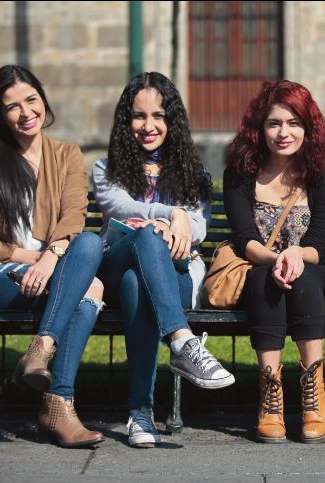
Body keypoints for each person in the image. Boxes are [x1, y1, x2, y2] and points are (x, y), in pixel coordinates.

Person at [0, 65, 105, 448]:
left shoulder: (67, 155)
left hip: (49, 271)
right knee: (91, 287)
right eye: (12, 106)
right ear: (0, 115)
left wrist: (50, 258)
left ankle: (42, 357)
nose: (26, 113)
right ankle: (59, 407)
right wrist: (28, 256)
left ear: (43, 100)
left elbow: (75, 215)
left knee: (88, 244)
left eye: (31, 100)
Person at [92, 72, 234, 448]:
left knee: (136, 284)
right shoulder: (106, 170)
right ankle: (183, 341)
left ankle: (140, 412)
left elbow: (199, 230)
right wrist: (171, 215)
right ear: (126, 122)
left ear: (173, 120)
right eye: (139, 116)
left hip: (177, 272)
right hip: (117, 261)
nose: (149, 125)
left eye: (159, 116)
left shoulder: (194, 173)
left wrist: (184, 222)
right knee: (147, 235)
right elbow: (120, 208)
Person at [223, 80, 325, 444]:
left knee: (302, 279)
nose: (283, 132)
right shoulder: (241, 173)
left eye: (294, 123)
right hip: (261, 264)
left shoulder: (322, 174)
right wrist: (276, 259)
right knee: (263, 279)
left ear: (309, 128)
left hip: (313, 266)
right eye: (274, 123)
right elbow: (245, 240)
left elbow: (319, 243)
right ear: (260, 127)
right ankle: (270, 396)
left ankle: (313, 394)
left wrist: (294, 255)